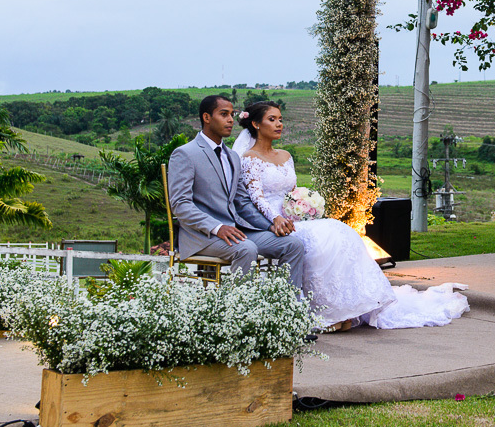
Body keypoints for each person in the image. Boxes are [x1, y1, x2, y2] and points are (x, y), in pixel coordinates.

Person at [236, 101, 469, 329]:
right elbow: (257, 198)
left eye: (280, 119)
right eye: (272, 119)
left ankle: (351, 307)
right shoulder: (249, 158)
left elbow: (292, 192)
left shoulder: (286, 156)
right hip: (273, 221)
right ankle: (325, 313)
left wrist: (304, 204)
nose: (279, 124)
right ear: (256, 124)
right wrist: (277, 218)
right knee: (322, 241)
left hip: (295, 219)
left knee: (341, 232)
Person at [167, 95, 306, 286]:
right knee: (246, 249)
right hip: (203, 236)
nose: (231, 120)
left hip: (237, 231)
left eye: (232, 115)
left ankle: (286, 307)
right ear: (207, 118)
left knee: (293, 245)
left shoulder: (232, 156)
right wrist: (217, 228)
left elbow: (242, 202)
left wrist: (269, 225)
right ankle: (239, 311)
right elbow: (180, 205)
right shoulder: (185, 153)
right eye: (224, 114)